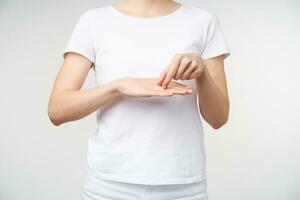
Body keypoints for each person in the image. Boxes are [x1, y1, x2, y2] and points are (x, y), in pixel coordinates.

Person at [47, 0, 230, 199]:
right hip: (109, 186)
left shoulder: (204, 22)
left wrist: (202, 72)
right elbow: (57, 110)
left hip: (182, 187)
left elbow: (218, 118)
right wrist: (117, 87)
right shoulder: (93, 22)